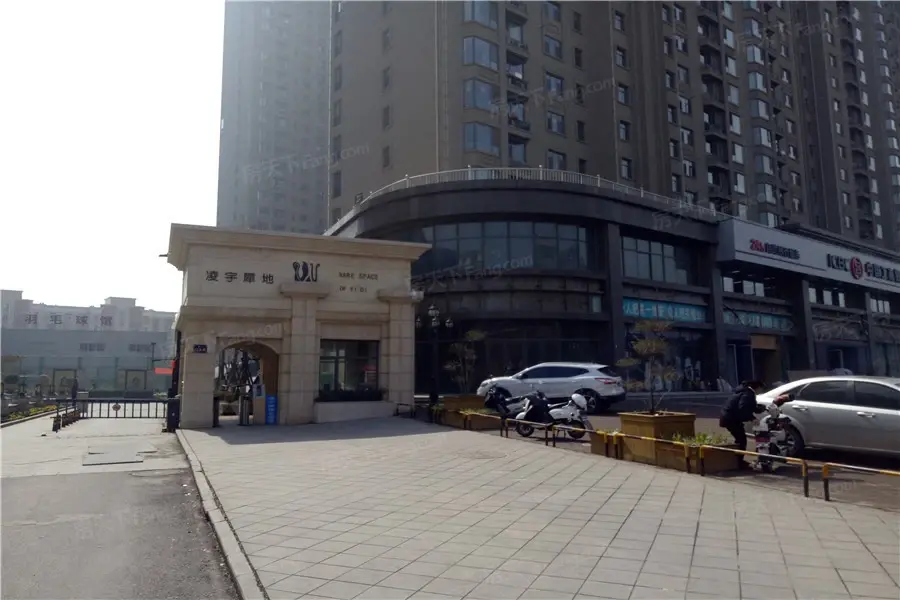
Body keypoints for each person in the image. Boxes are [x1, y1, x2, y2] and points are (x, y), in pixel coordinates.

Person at [720, 379, 767, 466]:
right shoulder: (748, 394)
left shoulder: (744, 391)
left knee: (740, 439)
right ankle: (739, 462)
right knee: (741, 440)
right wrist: (752, 418)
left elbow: (748, 406)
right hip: (731, 419)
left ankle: (737, 461)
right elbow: (743, 408)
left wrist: (759, 408)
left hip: (729, 417)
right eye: (762, 389)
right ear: (758, 387)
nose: (761, 391)